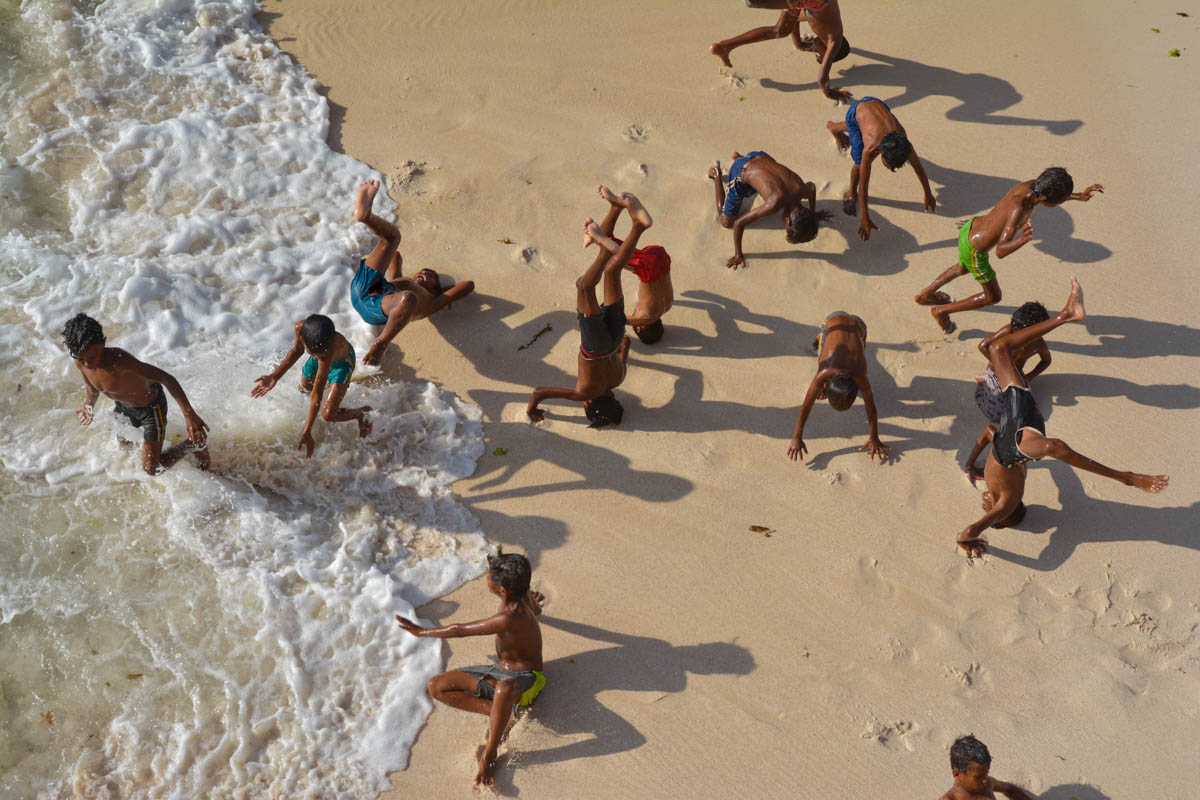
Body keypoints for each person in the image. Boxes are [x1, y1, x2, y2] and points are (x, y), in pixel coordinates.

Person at [957, 278, 1169, 556]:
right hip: (1016, 444)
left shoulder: (991, 482)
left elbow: (988, 431)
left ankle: (1068, 315)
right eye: (985, 509)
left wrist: (970, 464)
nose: (983, 504)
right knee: (1052, 448)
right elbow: (970, 532)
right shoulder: (1006, 504)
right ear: (1001, 518)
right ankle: (1127, 478)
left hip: (1014, 418)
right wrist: (969, 538)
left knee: (999, 349)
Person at [395, 549, 545, 789]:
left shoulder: (509, 617)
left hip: (527, 680)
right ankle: (502, 716)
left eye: (488, 576)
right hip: (499, 671)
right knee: (437, 686)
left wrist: (421, 631)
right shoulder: (522, 595)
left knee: (505, 688)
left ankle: (489, 754)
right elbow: (535, 611)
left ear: (502, 590)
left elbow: (460, 630)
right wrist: (535, 607)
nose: (486, 577)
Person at [914, 167, 1103, 334]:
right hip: (976, 250)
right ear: (1045, 199)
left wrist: (1078, 196)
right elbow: (1001, 251)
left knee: (962, 268)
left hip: (970, 229)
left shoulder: (1032, 186)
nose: (1060, 204)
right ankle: (941, 311)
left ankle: (924, 295)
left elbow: (1050, 193)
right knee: (993, 296)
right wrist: (1023, 239)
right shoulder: (1018, 210)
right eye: (1060, 202)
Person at [526, 190, 654, 425]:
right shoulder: (585, 393)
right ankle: (605, 251)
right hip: (595, 347)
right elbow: (539, 392)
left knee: (612, 272)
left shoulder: (619, 379)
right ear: (589, 404)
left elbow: (625, 349)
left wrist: (623, 345)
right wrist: (532, 411)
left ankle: (638, 226)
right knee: (584, 287)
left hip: (615, 338)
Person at [63, 313, 209, 475]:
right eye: (80, 358)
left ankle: (192, 444)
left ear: (102, 344)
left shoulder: (120, 361)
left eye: (91, 357)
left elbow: (167, 379)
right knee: (124, 443)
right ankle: (152, 448)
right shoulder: (80, 361)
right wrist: (88, 404)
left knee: (152, 469)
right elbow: (92, 386)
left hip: (151, 409)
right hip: (124, 406)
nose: (87, 363)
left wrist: (190, 416)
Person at [349, 179, 475, 366]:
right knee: (393, 238)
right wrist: (394, 258)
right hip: (365, 288)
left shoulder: (433, 302)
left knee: (407, 298)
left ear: (436, 288)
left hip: (375, 309)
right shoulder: (399, 279)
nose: (424, 273)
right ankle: (365, 216)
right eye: (421, 272)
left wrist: (444, 292)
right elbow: (396, 257)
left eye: (431, 276)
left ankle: (380, 344)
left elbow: (468, 285)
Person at [250, 314, 372, 458]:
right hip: (321, 353)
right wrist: (274, 376)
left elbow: (317, 393)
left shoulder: (325, 355)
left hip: (342, 364)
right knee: (305, 388)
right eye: (313, 354)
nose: (315, 357)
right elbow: (297, 350)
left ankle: (361, 413)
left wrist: (308, 430)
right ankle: (332, 396)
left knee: (328, 414)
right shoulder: (301, 329)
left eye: (319, 356)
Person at [826, 96, 936, 240]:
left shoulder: (904, 142)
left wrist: (928, 193)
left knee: (863, 123)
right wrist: (865, 218)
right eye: (889, 165)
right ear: (880, 153)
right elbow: (863, 188)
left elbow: (918, 168)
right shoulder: (870, 149)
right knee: (859, 164)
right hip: (857, 111)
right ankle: (850, 193)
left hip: (877, 104)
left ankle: (833, 127)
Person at [963, 302, 1052, 480]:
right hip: (996, 374)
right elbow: (983, 345)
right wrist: (998, 362)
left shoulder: (1038, 344)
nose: (1019, 334)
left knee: (1027, 412)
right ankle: (983, 384)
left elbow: (1046, 361)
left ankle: (985, 384)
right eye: (1017, 330)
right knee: (997, 415)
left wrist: (1029, 376)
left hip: (1017, 377)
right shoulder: (1008, 331)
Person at [787, 311, 889, 463]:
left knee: (857, 346)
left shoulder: (861, 375)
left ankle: (832, 341)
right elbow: (806, 405)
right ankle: (823, 338)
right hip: (833, 320)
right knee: (823, 357)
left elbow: (871, 408)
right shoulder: (825, 370)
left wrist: (874, 438)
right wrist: (796, 436)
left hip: (859, 325)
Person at [708, 151, 831, 269]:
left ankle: (740, 157)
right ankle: (716, 173)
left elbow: (813, 188)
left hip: (762, 156)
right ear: (787, 221)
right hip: (740, 171)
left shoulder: (802, 189)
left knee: (761, 181)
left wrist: (814, 213)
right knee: (726, 221)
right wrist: (738, 255)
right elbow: (738, 223)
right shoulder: (773, 203)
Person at [709, 0, 852, 103]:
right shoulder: (835, 41)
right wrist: (830, 93)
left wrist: (798, 43)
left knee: (780, 30)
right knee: (754, 2)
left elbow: (796, 18)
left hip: (814, 4)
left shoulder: (819, 16)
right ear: (831, 52)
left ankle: (724, 46)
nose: (816, 51)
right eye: (820, 53)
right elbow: (822, 78)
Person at [587, 185, 674, 344]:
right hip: (648, 270)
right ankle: (631, 223)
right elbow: (618, 319)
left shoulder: (667, 305)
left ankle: (617, 206)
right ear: (641, 328)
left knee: (617, 247)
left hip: (662, 259)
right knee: (610, 252)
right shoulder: (644, 318)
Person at [938, 735, 1034, 800]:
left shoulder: (987, 784)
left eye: (986, 774)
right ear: (957, 774)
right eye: (978, 777)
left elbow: (1010, 789)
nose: (985, 780)